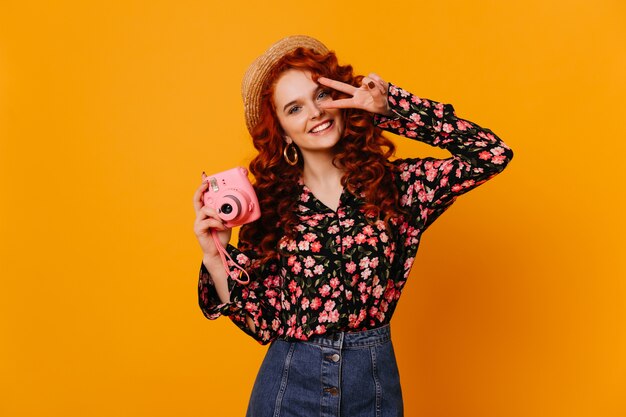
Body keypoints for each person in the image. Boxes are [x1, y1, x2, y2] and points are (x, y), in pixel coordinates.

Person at [193, 35, 513, 417]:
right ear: (280, 131)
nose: (315, 112)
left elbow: (490, 154)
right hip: (290, 386)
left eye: (322, 96)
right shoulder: (269, 208)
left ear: (342, 98)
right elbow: (264, 324)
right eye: (294, 108)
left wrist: (391, 106)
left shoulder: (398, 188)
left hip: (372, 387)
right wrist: (216, 257)